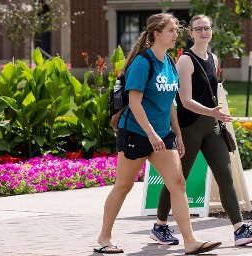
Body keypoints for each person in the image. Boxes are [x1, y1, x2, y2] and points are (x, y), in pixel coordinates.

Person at [95, 13, 222, 255]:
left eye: (176, 30)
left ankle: (190, 241)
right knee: (123, 186)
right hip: (136, 134)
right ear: (157, 34)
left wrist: (177, 134)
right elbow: (135, 104)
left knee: (178, 184)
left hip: (162, 135)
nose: (176, 35)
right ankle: (104, 237)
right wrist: (151, 135)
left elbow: (171, 103)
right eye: (172, 30)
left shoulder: (170, 63)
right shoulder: (143, 63)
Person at [149, 14, 252, 247]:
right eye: (198, 29)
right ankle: (160, 226)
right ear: (190, 33)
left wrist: (215, 115)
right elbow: (184, 100)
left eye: (207, 28)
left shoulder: (213, 58)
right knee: (177, 179)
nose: (203, 32)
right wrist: (212, 112)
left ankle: (239, 229)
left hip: (212, 127)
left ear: (211, 31)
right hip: (190, 127)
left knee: (225, 177)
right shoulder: (185, 61)